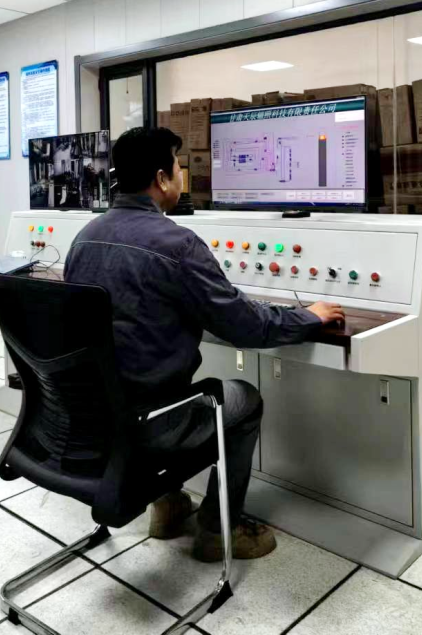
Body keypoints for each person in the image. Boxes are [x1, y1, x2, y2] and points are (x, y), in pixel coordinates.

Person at [63, 127, 345, 562]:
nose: (181, 176)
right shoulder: (177, 245)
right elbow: (246, 326)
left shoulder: (84, 238)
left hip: (90, 421)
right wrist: (309, 316)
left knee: (151, 381)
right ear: (162, 178)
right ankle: (218, 529)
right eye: (178, 168)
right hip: (153, 424)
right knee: (243, 399)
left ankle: (169, 506)